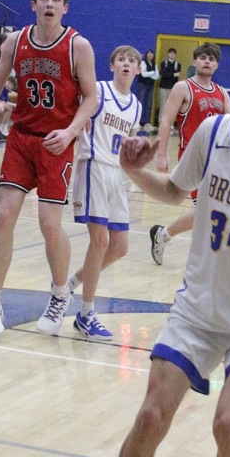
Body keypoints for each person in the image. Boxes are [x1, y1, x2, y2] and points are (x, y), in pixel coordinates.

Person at [111, 51, 230, 457]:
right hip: (198, 308)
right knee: (150, 415)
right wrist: (132, 170)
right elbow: (174, 192)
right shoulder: (215, 131)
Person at [0, 0, 98, 340]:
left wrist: (70, 132)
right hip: (21, 138)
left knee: (49, 224)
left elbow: (91, 98)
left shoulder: (78, 46)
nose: (50, 4)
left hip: (56, 143)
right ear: (34, 4)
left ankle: (59, 294)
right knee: (4, 214)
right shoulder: (16, 40)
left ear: (65, 7)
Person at [68, 45, 142, 340]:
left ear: (139, 69)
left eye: (132, 60)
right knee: (99, 241)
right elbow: (72, 103)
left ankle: (71, 282)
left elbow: (130, 143)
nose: (126, 64)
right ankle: (86, 313)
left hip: (116, 174)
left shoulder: (136, 105)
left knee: (120, 246)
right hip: (94, 166)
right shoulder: (97, 90)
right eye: (121, 59)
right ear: (112, 66)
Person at [149, 42, 230, 265]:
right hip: (192, 157)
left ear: (216, 65)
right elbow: (166, 120)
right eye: (203, 57)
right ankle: (204, 258)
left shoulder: (221, 92)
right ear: (195, 61)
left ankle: (163, 234)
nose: (207, 61)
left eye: (212, 59)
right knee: (206, 209)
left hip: (217, 158)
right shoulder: (183, 88)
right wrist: (161, 154)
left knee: (212, 211)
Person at [134, 48, 159, 132]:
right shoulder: (143, 63)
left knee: (149, 104)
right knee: (140, 102)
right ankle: (136, 122)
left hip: (150, 86)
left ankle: (147, 123)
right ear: (146, 55)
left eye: (152, 54)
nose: (150, 55)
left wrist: (150, 74)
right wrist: (152, 72)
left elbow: (157, 76)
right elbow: (143, 74)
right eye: (149, 53)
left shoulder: (154, 64)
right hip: (142, 85)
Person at [158, 47, 181, 124]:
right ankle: (161, 121)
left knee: (171, 106)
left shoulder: (178, 64)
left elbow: (177, 77)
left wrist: (171, 75)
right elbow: (163, 75)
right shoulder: (163, 63)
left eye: (173, 53)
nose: (172, 54)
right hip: (163, 86)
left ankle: (169, 122)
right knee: (163, 105)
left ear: (175, 55)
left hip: (172, 87)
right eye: (170, 53)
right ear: (168, 54)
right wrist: (174, 74)